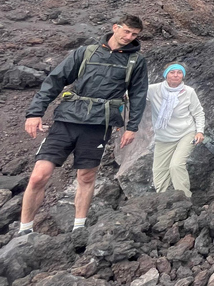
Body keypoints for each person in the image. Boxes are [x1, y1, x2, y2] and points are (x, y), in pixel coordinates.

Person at [19, 15, 148, 235]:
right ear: (115, 27)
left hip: (99, 124)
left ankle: (79, 228)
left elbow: (138, 95)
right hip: (67, 119)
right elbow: (55, 80)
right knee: (39, 175)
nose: (129, 37)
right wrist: (34, 113)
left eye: (134, 34)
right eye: (126, 31)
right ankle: (24, 230)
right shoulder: (86, 52)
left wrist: (132, 126)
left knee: (87, 176)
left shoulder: (136, 61)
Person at [149, 62, 205, 197]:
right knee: (159, 172)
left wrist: (200, 131)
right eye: (172, 72)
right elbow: (134, 94)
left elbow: (198, 112)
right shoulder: (152, 89)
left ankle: (185, 199)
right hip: (164, 137)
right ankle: (163, 201)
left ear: (183, 76)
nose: (176, 75)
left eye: (179, 73)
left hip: (186, 133)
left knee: (176, 165)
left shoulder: (189, 92)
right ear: (165, 75)